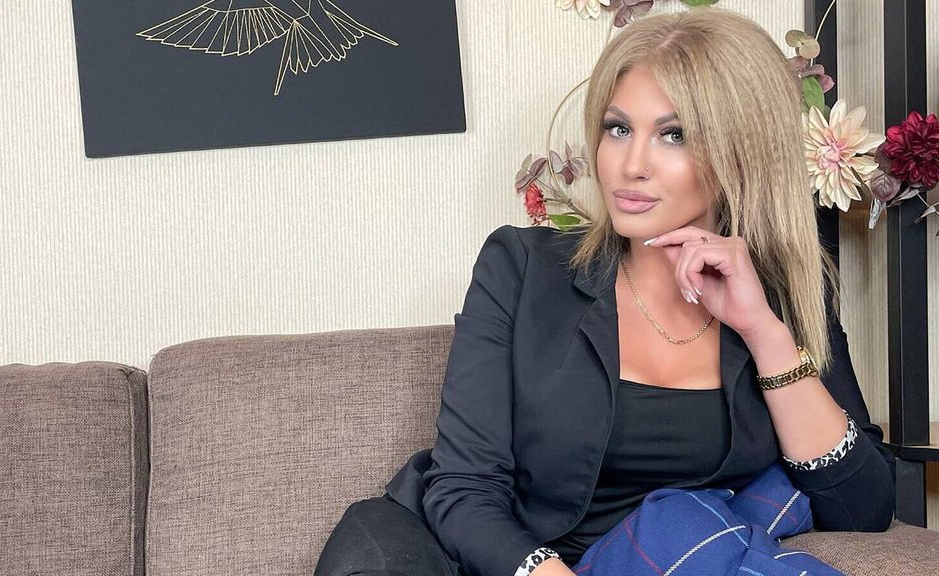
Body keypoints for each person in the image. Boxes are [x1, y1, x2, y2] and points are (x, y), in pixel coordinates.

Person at [315, 7, 896, 576]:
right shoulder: (521, 267)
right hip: (465, 556)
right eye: (618, 129)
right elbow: (465, 489)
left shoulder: (784, 295)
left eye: (673, 135)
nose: (630, 164)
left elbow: (863, 509)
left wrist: (763, 332)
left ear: (741, 154)